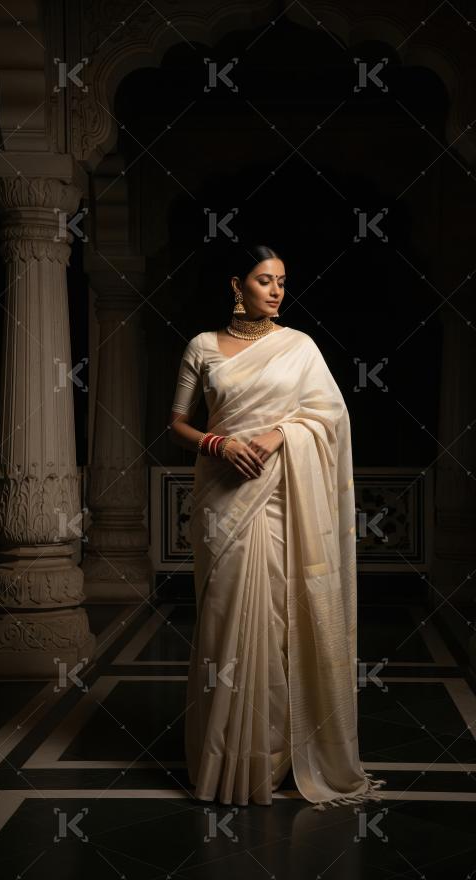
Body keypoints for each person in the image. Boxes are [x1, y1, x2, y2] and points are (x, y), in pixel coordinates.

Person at [169, 244, 387, 809]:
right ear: (235, 284)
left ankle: (275, 757)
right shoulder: (202, 347)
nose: (275, 292)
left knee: (280, 619)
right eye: (264, 281)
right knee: (225, 621)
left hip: (283, 499)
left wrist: (277, 436)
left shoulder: (300, 348)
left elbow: (329, 414)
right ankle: (225, 761)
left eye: (282, 283)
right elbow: (177, 423)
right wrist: (219, 443)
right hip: (223, 500)